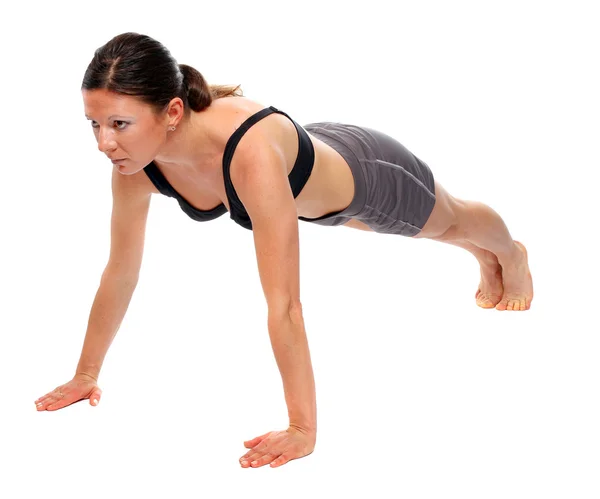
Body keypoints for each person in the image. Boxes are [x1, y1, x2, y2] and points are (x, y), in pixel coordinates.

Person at [34, 32, 534, 468]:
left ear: (172, 111)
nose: (103, 143)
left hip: (372, 176)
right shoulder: (135, 165)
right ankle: (488, 255)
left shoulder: (248, 156)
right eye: (94, 124)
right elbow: (120, 272)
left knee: (451, 224)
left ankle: (509, 253)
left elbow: (285, 306)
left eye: (119, 124)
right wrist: (85, 374)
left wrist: (303, 429)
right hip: (313, 173)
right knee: (445, 229)